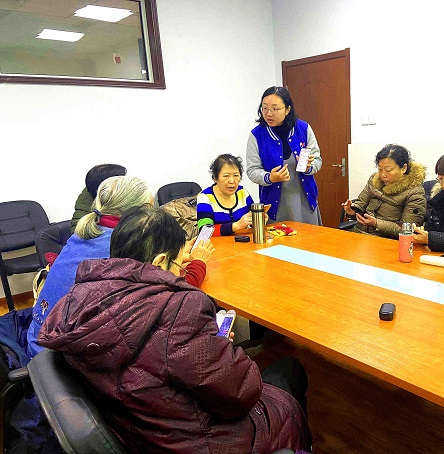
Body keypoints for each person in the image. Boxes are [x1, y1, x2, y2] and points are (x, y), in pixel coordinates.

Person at [37, 207, 313, 454]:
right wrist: (221, 347)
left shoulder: (80, 299)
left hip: (143, 433)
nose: (182, 273)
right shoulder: (178, 313)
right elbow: (242, 393)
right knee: (290, 370)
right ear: (159, 263)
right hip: (206, 441)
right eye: (180, 264)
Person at [27, 176, 215, 357]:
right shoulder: (124, 245)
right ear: (138, 213)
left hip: (40, 341)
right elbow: (172, 293)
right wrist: (198, 262)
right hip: (61, 357)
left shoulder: (87, 232)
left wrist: (175, 256)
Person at [246, 86, 322, 225]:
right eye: (264, 108)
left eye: (275, 109)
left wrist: (309, 167)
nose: (269, 113)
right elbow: (252, 170)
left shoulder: (303, 128)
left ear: (287, 109)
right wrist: (269, 177)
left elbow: (317, 160)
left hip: (304, 200)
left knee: (309, 237)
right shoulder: (256, 135)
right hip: (275, 204)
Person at [341, 144, 426, 239]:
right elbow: (361, 204)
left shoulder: (415, 192)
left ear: (404, 168)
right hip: (360, 233)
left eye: (388, 170)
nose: (383, 175)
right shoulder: (374, 180)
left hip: (386, 240)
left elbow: (408, 229)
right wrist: (352, 211)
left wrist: (376, 224)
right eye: (380, 169)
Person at [197, 154, 255, 236]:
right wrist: (236, 226)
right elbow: (204, 232)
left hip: (243, 241)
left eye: (236, 175)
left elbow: (251, 220)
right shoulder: (205, 197)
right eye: (226, 176)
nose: (232, 181)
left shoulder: (242, 192)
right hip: (217, 243)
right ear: (215, 178)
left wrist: (259, 220)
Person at [70, 163, 127, 233]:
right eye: (122, 181)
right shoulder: (86, 204)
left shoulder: (128, 194)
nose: (126, 184)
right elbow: (78, 233)